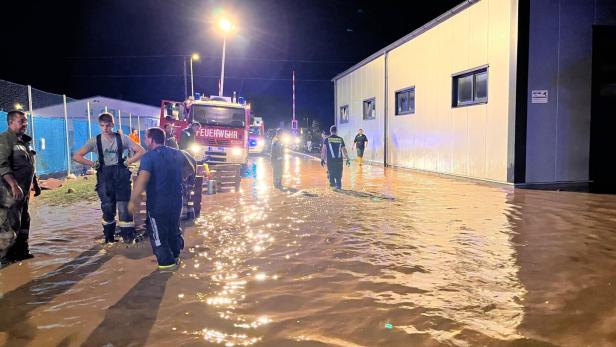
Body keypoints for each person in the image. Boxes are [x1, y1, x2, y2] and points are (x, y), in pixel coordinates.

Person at [128, 127, 195, 271]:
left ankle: (166, 269)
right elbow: (190, 169)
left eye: (146, 138)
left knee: (158, 235)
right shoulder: (178, 153)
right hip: (176, 201)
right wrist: (176, 177)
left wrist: (133, 200)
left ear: (151, 139)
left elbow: (142, 179)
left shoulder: (148, 157)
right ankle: (176, 259)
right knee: (173, 230)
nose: (145, 140)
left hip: (158, 203)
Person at [73, 112, 145, 243]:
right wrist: (92, 164)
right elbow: (77, 156)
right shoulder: (95, 140)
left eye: (108, 125)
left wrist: (128, 161)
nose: (106, 128)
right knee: (107, 208)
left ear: (112, 124)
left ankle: (128, 239)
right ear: (99, 125)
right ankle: (109, 238)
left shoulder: (122, 138)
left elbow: (141, 151)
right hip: (105, 179)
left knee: (124, 208)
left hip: (122, 178)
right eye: (102, 126)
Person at [0, 110, 37, 265]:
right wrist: (14, 185)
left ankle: (22, 252)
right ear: (11, 122)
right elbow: (2, 165)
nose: (25, 124)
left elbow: (29, 165)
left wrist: (35, 184)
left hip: (23, 193)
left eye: (26, 121)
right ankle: (4, 259)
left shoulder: (24, 142)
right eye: (22, 121)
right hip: (9, 194)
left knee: (24, 222)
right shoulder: (5, 139)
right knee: (9, 226)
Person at [321, 125, 350, 190]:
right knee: (338, 177)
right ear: (336, 131)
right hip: (339, 161)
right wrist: (347, 159)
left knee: (331, 175)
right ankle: (339, 188)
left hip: (330, 161)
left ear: (330, 131)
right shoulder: (340, 139)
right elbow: (344, 150)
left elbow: (324, 150)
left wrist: (322, 159)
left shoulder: (327, 139)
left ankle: (333, 189)